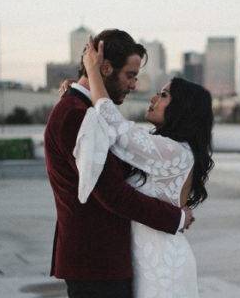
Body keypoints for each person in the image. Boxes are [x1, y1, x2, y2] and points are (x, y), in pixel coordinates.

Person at [45, 29, 194, 298]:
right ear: (105, 68)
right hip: (96, 263)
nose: (134, 84)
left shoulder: (82, 110)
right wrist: (176, 217)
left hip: (102, 263)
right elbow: (112, 193)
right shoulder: (77, 115)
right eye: (130, 75)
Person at [75, 37, 214, 298]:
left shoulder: (175, 152)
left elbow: (117, 129)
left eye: (163, 95)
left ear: (181, 109)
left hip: (163, 266)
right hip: (144, 264)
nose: (153, 97)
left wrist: (91, 71)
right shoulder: (161, 147)